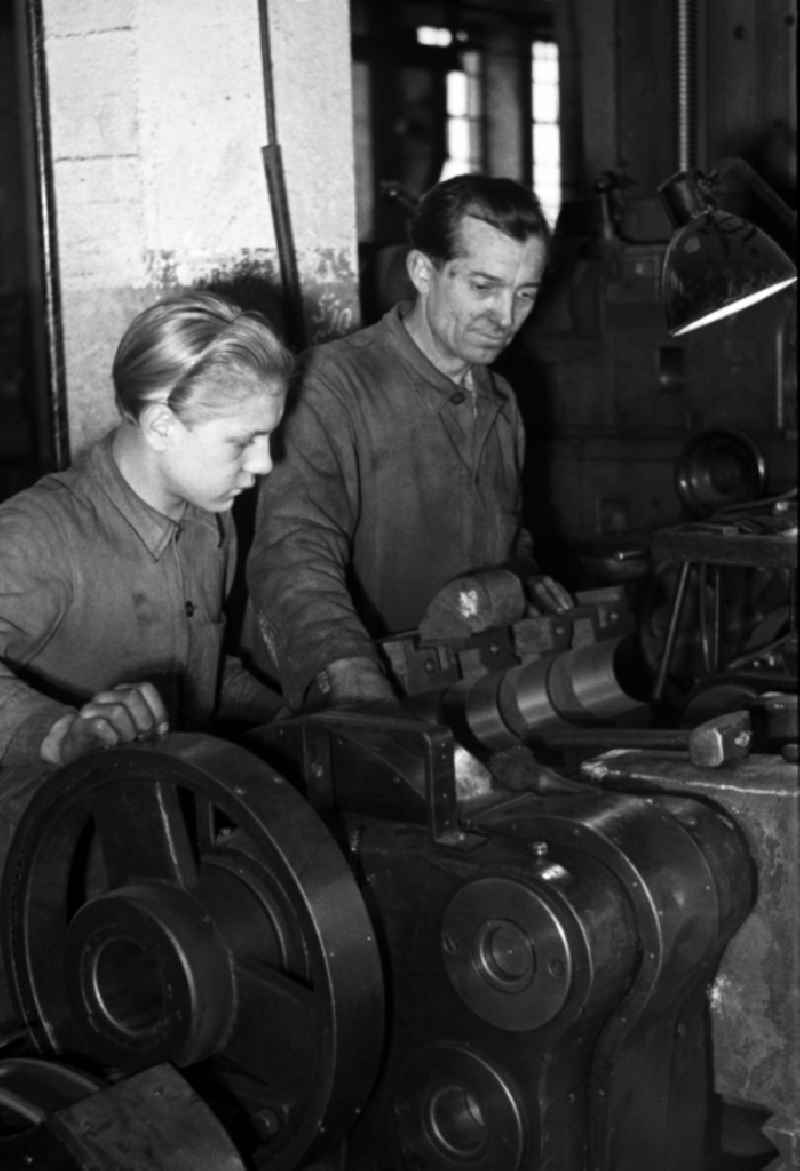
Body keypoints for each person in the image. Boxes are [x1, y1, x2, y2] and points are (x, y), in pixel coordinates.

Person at [246, 173, 572, 712]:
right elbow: (293, 552)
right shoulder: (331, 386)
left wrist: (524, 580)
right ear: (423, 272)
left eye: (524, 295)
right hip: (345, 700)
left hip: (460, 693)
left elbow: (504, 533)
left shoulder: (501, 401)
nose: (506, 318)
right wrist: (347, 673)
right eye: (484, 287)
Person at [0, 290, 291, 775]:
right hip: (44, 840)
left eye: (268, 437)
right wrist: (59, 735)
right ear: (160, 426)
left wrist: (301, 720)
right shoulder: (39, 533)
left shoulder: (208, 521)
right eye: (242, 442)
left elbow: (202, 678)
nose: (264, 463)